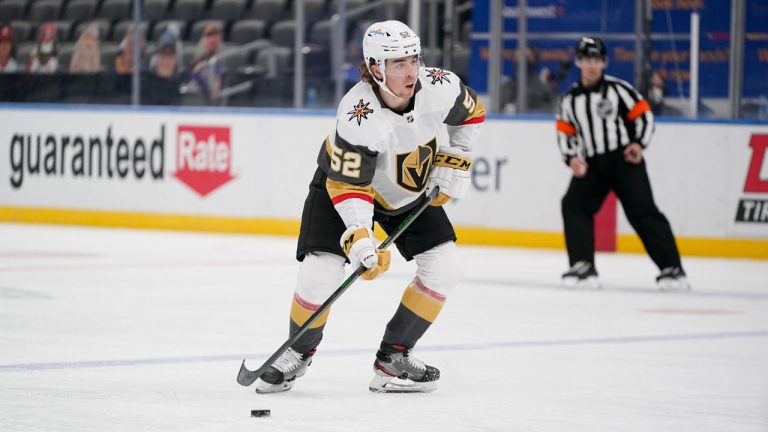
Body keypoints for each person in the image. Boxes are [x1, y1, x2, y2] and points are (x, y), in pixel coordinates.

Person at [253, 20, 485, 394]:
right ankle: (297, 353)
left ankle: (394, 357)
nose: (411, 71)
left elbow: (472, 115)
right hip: (343, 188)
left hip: (405, 190)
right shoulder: (357, 112)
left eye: (414, 59)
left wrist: (454, 158)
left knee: (446, 267)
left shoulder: (440, 86)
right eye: (398, 64)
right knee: (320, 272)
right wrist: (360, 237)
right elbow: (348, 183)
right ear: (376, 68)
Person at [555, 36, 688, 291]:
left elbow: (645, 116)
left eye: (596, 60)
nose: (592, 65)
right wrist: (572, 158)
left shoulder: (618, 89)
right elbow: (564, 132)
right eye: (587, 60)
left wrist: (638, 144)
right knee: (573, 203)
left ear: (604, 62)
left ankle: (672, 269)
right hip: (592, 163)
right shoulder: (570, 99)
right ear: (578, 62)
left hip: (624, 160)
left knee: (643, 212)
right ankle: (582, 265)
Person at [187, 23, 224, 103]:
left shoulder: (222, 60)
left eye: (215, 35)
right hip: (195, 98)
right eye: (208, 36)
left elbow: (217, 85)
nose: (212, 39)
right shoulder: (197, 61)